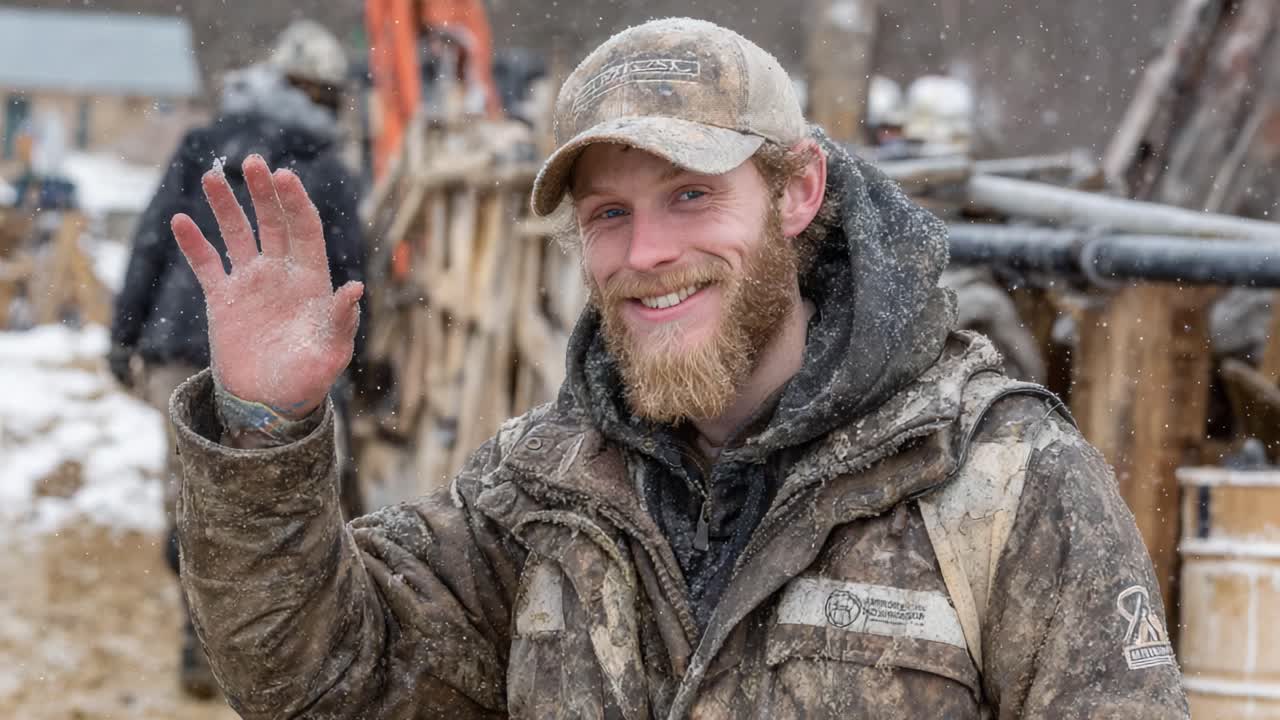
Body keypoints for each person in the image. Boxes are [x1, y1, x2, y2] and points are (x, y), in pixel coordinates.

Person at [167, 18, 1188, 718]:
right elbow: (320, 677)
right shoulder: (541, 496)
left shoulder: (997, 486)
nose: (644, 253)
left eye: (690, 194)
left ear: (795, 194)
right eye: (608, 213)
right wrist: (264, 424)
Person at [107, 19, 366, 700]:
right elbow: (348, 280)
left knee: (196, 494)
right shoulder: (326, 167)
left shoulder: (204, 143)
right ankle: (264, 650)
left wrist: (124, 331)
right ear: (325, 94)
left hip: (182, 344)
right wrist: (360, 367)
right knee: (275, 504)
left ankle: (203, 634)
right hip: (277, 360)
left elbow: (153, 239)